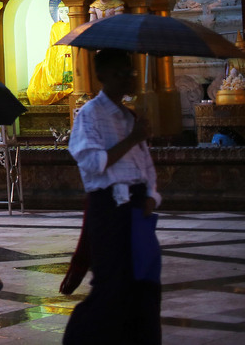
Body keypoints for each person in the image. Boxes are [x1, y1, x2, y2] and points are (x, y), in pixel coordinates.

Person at [63, 48, 161, 345]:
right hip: (109, 208)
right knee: (111, 285)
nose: (127, 79)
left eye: (129, 72)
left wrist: (151, 196)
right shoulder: (90, 114)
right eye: (119, 73)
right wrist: (132, 138)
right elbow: (93, 164)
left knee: (144, 283)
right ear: (102, 76)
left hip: (137, 209)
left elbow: (145, 164)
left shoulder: (130, 116)